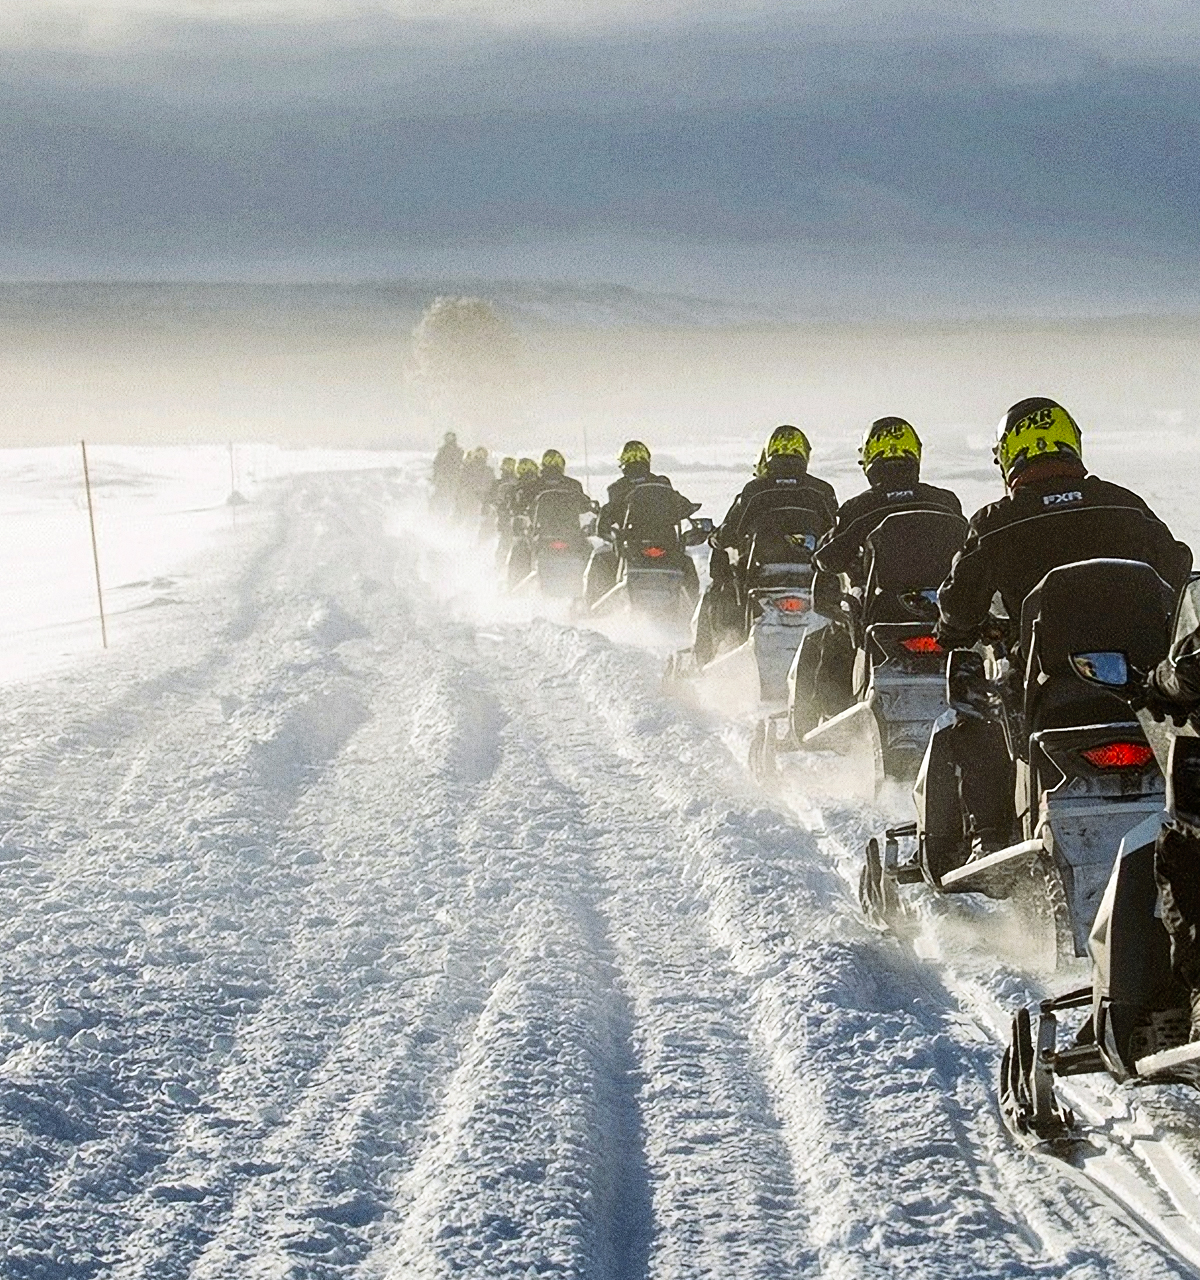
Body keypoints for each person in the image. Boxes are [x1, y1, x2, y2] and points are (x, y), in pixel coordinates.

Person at [918, 396, 1192, 872]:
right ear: (1072, 445)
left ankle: (989, 835)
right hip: (1145, 693)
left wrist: (952, 629)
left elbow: (958, 608)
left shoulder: (994, 522)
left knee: (975, 715)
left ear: (1009, 455)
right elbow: (1178, 566)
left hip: (1047, 692)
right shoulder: (1126, 505)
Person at [794, 418, 965, 724]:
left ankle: (825, 715)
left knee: (828, 637)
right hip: (943, 613)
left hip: (883, 613)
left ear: (870, 460)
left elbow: (829, 559)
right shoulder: (945, 501)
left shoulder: (858, 508)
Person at [692, 424, 838, 666]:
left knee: (716, 595)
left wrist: (714, 539)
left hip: (762, 577)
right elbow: (836, 534)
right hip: (811, 579)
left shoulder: (755, 490)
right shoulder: (822, 491)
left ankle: (703, 662)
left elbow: (729, 534)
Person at [587, 440, 701, 603]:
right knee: (687, 564)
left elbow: (607, 517)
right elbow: (683, 505)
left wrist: (607, 531)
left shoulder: (617, 488)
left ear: (623, 463)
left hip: (633, 544)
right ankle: (694, 612)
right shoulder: (662, 483)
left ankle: (590, 608)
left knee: (601, 558)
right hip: (665, 544)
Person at [431, 431, 463, 511]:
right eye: (448, 438)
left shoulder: (459, 451)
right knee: (441, 494)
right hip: (444, 476)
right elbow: (436, 464)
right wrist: (436, 476)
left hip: (454, 476)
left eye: (451, 437)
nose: (450, 440)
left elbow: (461, 463)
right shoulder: (442, 451)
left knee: (454, 495)